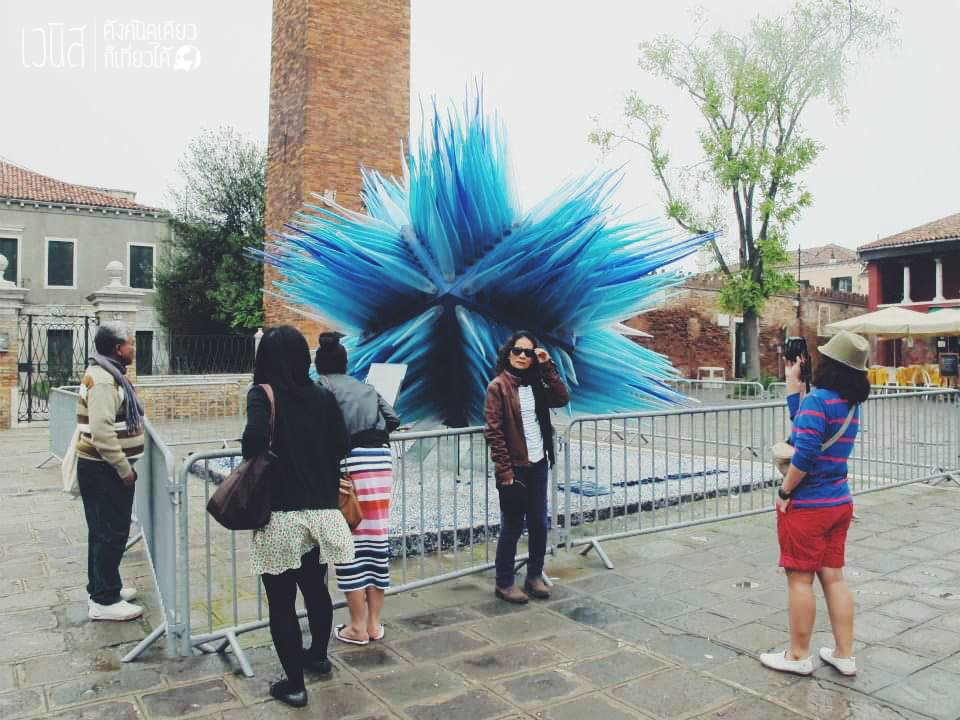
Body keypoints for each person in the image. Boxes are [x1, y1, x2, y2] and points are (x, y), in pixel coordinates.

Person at [242, 326, 353, 709]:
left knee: (281, 601)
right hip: (322, 511)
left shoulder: (263, 394)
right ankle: (318, 655)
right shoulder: (322, 394)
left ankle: (294, 684)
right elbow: (342, 444)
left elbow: (254, 439)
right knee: (316, 588)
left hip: (281, 515)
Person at [760, 330, 871, 678]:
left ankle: (798, 655)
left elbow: (804, 454)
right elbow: (805, 426)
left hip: (809, 506)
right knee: (834, 578)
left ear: (830, 365)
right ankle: (844, 654)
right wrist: (793, 385)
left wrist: (784, 492)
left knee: (799, 580)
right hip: (838, 501)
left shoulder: (818, 401)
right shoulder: (848, 403)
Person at [314, 333, 401, 645]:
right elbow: (393, 419)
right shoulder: (367, 387)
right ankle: (375, 624)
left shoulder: (321, 387)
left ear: (318, 364)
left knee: (348, 541)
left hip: (349, 463)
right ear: (346, 363)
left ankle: (357, 626)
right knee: (376, 540)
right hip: (380, 461)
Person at [484, 330, 570, 603]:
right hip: (515, 467)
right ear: (508, 353)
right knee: (511, 526)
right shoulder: (498, 386)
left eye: (528, 352)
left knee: (539, 523)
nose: (522, 356)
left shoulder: (536, 385)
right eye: (517, 351)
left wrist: (547, 366)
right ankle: (504, 582)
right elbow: (494, 432)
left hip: (538, 463)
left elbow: (562, 398)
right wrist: (505, 472)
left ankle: (534, 575)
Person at [76, 323, 145, 622]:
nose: (133, 348)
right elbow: (102, 431)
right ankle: (104, 600)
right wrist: (123, 467)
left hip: (100, 467)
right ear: (118, 348)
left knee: (102, 531)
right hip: (104, 469)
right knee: (111, 533)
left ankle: (102, 588)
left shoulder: (105, 373)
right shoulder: (104, 380)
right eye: (130, 343)